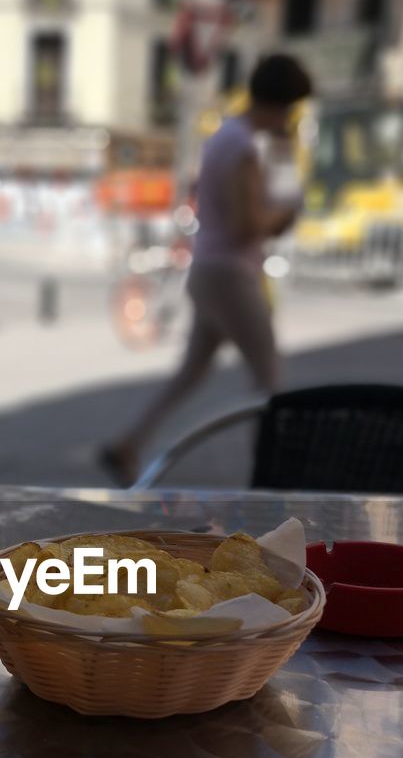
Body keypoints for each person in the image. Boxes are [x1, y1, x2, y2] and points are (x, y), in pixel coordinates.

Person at [101, 53, 313, 486]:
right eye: (292, 110)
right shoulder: (243, 146)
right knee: (269, 378)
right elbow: (248, 223)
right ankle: (274, 480)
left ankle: (128, 443)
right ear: (282, 105)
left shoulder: (225, 136)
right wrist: (286, 212)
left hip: (211, 270)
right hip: (229, 274)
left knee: (192, 371)